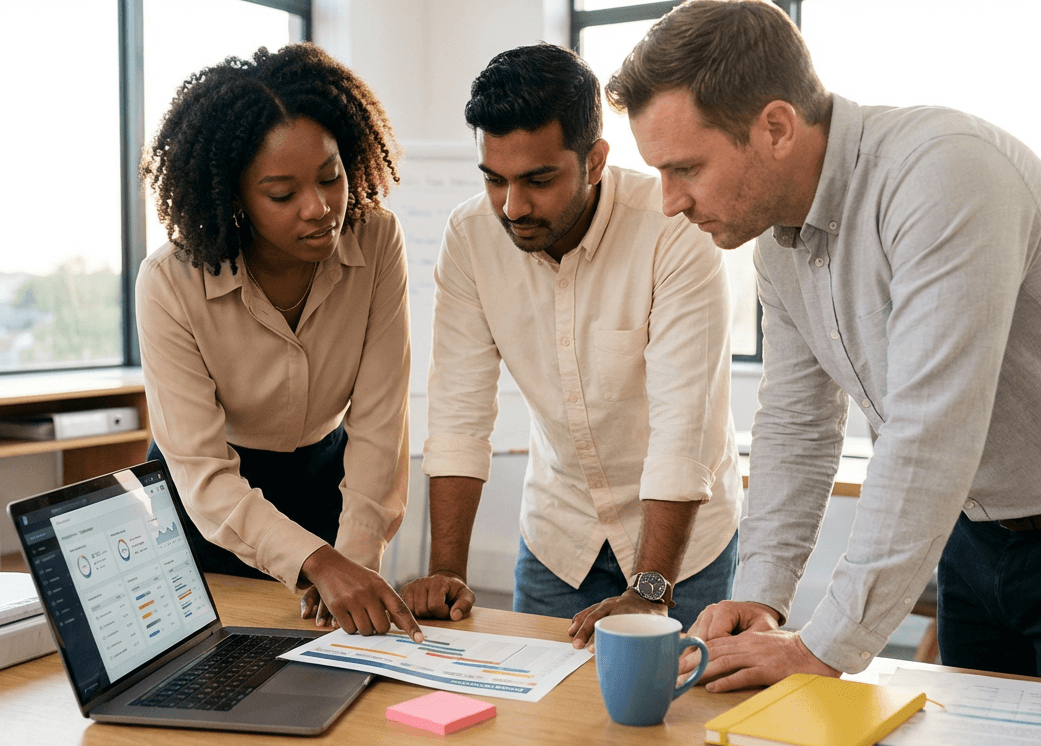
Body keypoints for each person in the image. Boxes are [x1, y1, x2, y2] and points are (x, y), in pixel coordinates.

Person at [608, 0, 1041, 695]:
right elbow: (798, 426)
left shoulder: (943, 173)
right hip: (981, 536)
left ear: (774, 127)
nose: (669, 201)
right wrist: (763, 596)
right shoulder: (777, 242)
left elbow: (930, 431)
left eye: (685, 168)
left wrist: (823, 647)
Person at [400, 43, 741, 649]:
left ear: (594, 160)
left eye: (537, 180)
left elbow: (684, 428)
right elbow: (458, 410)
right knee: (539, 726)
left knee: (678, 730)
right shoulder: (470, 238)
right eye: (493, 179)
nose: (513, 206)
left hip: (683, 548)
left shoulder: (673, 230)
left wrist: (652, 588)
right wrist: (446, 569)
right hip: (561, 539)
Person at [137, 43, 422, 642]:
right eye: (281, 194)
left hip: (326, 485)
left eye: (331, 176)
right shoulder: (170, 283)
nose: (321, 209)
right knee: (213, 675)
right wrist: (314, 561)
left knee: (336, 667)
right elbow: (203, 472)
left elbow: (379, 420)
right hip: (206, 509)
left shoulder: (377, 242)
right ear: (234, 197)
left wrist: (353, 556)